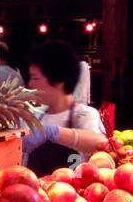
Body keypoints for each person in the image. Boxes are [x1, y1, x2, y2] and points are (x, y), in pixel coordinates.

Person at [23, 39, 108, 175]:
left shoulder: (84, 114)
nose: (30, 84)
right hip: (36, 192)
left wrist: (53, 132)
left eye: (36, 78)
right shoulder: (37, 115)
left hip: (72, 193)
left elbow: (101, 143)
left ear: (59, 80)